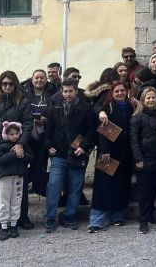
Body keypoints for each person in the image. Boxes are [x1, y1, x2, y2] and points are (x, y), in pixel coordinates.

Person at [0, 71, 33, 233]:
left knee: (19, 186)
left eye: (11, 83)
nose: (8, 86)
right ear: (0, 85)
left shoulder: (23, 102)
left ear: (15, 84)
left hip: (17, 147)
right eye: (4, 83)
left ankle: (20, 218)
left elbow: (28, 124)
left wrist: (21, 144)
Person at [43, 79, 97, 233]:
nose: (68, 94)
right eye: (65, 91)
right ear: (61, 92)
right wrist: (49, 147)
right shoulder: (55, 108)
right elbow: (49, 131)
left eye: (70, 91)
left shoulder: (86, 109)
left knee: (76, 187)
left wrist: (83, 147)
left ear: (76, 91)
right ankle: (50, 218)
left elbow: (91, 131)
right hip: (59, 154)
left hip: (77, 154)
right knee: (53, 185)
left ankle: (70, 216)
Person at [88, 82, 134, 233]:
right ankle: (96, 220)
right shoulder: (107, 108)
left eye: (122, 91)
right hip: (108, 153)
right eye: (117, 91)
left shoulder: (131, 106)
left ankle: (117, 215)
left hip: (125, 153)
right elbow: (103, 130)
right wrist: (105, 150)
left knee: (121, 185)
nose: (120, 93)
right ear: (112, 94)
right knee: (102, 187)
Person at [130, 87, 156, 234]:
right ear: (143, 100)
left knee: (154, 189)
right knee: (144, 191)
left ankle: (149, 215)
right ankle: (143, 220)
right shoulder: (137, 116)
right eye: (148, 98)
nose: (151, 100)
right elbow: (134, 140)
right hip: (144, 159)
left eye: (153, 97)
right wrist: (138, 159)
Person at [0, 121, 33, 241]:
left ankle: (14, 224)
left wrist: (24, 156)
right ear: (6, 135)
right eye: (11, 134)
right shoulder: (0, 146)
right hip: (4, 177)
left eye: (16, 134)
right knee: (4, 201)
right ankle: (4, 226)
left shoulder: (24, 146)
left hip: (19, 177)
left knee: (16, 201)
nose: (14, 136)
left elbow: (31, 157)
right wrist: (13, 154)